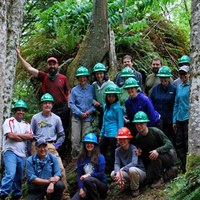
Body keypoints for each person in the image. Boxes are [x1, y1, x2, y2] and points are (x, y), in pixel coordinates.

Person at [16, 49, 70, 154]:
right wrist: (19, 56)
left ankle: (57, 151)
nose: (52, 66)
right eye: (50, 64)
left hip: (63, 109)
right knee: (46, 130)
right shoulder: (44, 77)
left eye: (54, 64)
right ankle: (43, 151)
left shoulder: (63, 78)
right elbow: (29, 68)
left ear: (57, 65)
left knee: (62, 133)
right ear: (47, 66)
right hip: (49, 108)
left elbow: (68, 92)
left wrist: (69, 106)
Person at [31, 93, 69, 199]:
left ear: (52, 105)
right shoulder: (35, 118)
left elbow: (62, 135)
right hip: (38, 144)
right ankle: (41, 194)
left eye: (49, 103)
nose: (47, 105)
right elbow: (30, 134)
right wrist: (33, 147)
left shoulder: (56, 119)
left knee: (60, 168)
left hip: (50, 144)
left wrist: (56, 145)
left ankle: (65, 195)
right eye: (45, 103)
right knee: (38, 169)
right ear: (41, 105)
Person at [133, 111, 177, 188]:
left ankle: (159, 179)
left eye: (141, 124)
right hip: (154, 160)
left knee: (154, 154)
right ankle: (170, 172)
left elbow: (169, 144)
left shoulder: (155, 131)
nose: (139, 126)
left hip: (168, 155)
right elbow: (145, 155)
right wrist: (140, 153)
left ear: (146, 123)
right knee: (148, 181)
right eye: (137, 124)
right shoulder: (138, 137)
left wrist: (157, 150)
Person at [0, 100, 33, 200]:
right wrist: (23, 137)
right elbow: (10, 135)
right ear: (15, 111)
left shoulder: (26, 124)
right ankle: (2, 193)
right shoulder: (9, 121)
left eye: (23, 110)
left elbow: (31, 136)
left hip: (22, 154)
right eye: (18, 110)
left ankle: (16, 196)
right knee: (10, 174)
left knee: (19, 178)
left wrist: (17, 135)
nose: (21, 112)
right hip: (10, 151)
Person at [111, 127, 146, 197]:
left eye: (124, 139)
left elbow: (134, 163)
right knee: (113, 174)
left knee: (132, 169)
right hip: (128, 173)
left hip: (140, 173)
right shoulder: (117, 151)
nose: (122, 141)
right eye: (120, 139)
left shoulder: (133, 148)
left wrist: (122, 169)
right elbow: (117, 163)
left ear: (129, 139)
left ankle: (135, 189)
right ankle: (126, 185)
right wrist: (118, 173)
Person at [70, 66, 96, 159]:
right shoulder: (74, 90)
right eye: (80, 77)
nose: (82, 79)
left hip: (88, 118)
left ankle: (85, 157)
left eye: (84, 77)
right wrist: (80, 113)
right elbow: (71, 104)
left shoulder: (92, 88)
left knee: (86, 138)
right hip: (76, 118)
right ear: (77, 78)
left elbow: (95, 103)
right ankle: (75, 158)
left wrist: (89, 112)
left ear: (87, 77)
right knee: (75, 139)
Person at [72, 133, 107, 200]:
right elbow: (79, 175)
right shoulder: (81, 158)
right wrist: (81, 188)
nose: (89, 145)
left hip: (100, 185)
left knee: (88, 179)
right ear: (85, 144)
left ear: (95, 145)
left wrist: (88, 175)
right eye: (87, 143)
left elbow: (101, 174)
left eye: (91, 143)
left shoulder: (100, 157)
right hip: (86, 185)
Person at [99, 83, 124, 171]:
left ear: (116, 97)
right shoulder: (105, 107)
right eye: (109, 96)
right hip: (106, 133)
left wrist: (119, 137)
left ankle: (113, 171)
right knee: (99, 150)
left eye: (113, 96)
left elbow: (120, 124)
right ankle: (101, 168)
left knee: (113, 153)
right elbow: (104, 121)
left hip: (114, 134)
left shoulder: (118, 108)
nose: (111, 98)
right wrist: (101, 134)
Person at [150, 66, 176, 144]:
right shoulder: (155, 89)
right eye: (161, 77)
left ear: (169, 78)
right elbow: (151, 104)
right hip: (158, 121)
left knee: (169, 140)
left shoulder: (174, 90)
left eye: (165, 77)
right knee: (158, 140)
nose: (163, 79)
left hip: (169, 121)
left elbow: (176, 105)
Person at [173, 65, 190, 173]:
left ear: (189, 74)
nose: (183, 76)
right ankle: (183, 166)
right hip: (179, 118)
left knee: (187, 142)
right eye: (181, 74)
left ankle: (189, 166)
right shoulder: (179, 87)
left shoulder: (192, 86)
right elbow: (176, 104)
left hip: (188, 118)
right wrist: (174, 120)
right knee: (179, 142)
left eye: (184, 73)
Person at [92, 63, 113, 128]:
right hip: (99, 110)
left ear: (104, 74)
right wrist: (94, 101)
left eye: (101, 73)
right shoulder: (94, 85)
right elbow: (90, 97)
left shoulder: (110, 84)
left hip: (109, 109)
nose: (99, 76)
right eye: (97, 74)